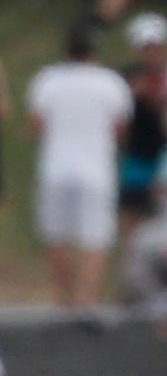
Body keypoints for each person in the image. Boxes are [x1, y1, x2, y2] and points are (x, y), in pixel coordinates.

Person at [25, 22, 132, 310]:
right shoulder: (110, 83)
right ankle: (88, 300)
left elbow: (36, 126)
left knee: (57, 236)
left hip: (55, 168)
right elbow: (121, 128)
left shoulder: (47, 80)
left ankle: (64, 298)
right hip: (95, 168)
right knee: (94, 238)